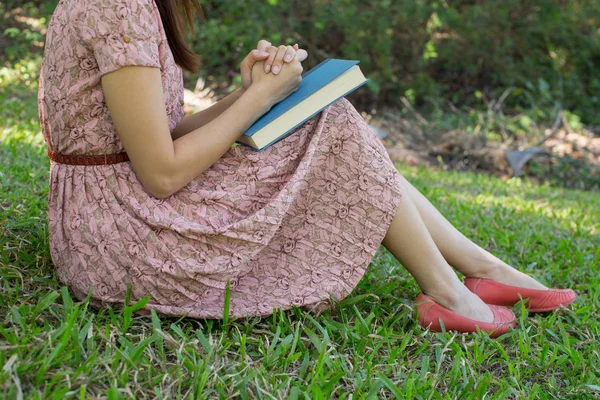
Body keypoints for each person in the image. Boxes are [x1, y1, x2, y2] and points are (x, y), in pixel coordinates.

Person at [38, 0, 575, 338]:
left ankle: (482, 272)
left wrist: (249, 94)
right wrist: (260, 99)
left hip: (119, 206)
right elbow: (161, 173)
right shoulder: (116, 6)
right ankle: (451, 292)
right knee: (334, 123)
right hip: (123, 235)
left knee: (327, 117)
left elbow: (162, 133)